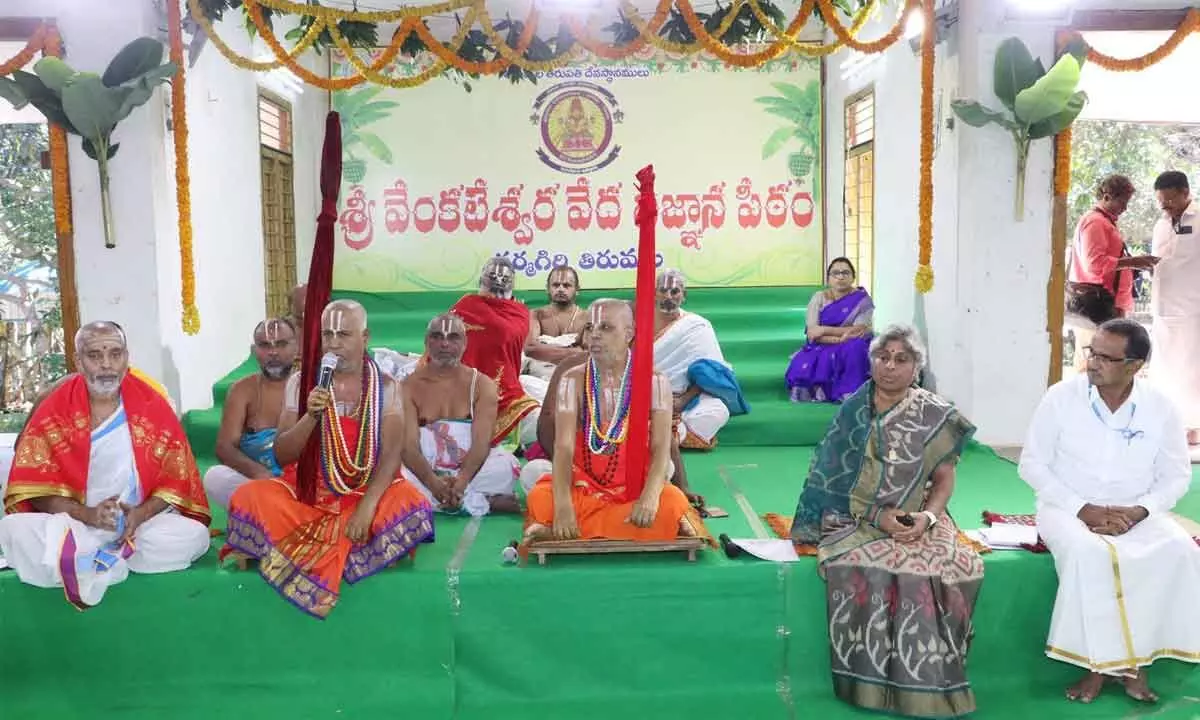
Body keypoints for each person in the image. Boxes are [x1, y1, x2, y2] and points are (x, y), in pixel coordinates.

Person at [790, 324, 981, 718]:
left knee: (944, 568)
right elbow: (829, 477)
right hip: (853, 518)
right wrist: (878, 516)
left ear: (917, 367)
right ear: (871, 361)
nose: (889, 366)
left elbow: (944, 478)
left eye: (901, 359)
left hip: (920, 514)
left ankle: (930, 685)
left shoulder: (934, 413)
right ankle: (870, 689)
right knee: (872, 568)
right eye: (882, 357)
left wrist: (927, 518)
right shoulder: (852, 411)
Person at [1018, 318, 1199, 704]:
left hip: (1134, 512)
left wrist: (1139, 511)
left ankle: (1137, 663)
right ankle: (1096, 667)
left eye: (1105, 357)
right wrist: (1083, 509)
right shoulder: (1061, 397)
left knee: (1181, 550)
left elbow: (1176, 476)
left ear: (1134, 366)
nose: (1092, 363)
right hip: (1066, 507)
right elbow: (1031, 464)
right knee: (1089, 555)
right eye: (1091, 352)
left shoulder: (1160, 408)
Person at [222, 300, 435, 619]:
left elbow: (391, 454)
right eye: (328, 334)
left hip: (364, 490)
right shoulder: (301, 383)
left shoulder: (387, 387)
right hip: (309, 492)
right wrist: (311, 416)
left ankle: (309, 545)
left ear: (365, 337)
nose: (334, 343)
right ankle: (349, 547)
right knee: (248, 496)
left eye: (344, 334)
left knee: (412, 502)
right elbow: (282, 454)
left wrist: (366, 508)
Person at [0, 322, 211, 608]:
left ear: (127, 356)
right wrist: (85, 514)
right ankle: (106, 558)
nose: (107, 365)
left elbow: (176, 478)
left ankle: (87, 560)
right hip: (73, 523)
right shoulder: (54, 405)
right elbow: (34, 487)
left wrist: (140, 514)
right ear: (78, 360)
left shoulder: (152, 404)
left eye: (115, 353)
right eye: (94, 355)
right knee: (13, 528)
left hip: (137, 525)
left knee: (194, 536)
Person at [524, 299, 708, 543]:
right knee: (539, 493)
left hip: (632, 483)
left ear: (629, 334)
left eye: (606, 328)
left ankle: (569, 531)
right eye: (590, 327)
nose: (595, 336)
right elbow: (564, 447)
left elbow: (661, 446)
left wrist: (650, 497)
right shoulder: (572, 380)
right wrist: (563, 505)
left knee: (671, 501)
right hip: (584, 479)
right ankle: (621, 527)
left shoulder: (655, 381)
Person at [401, 313, 520, 516]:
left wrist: (462, 481)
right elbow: (408, 446)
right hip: (426, 467)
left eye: (453, 337)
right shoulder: (407, 386)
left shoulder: (482, 384)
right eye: (437, 337)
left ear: (465, 343)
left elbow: (482, 442)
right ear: (426, 342)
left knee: (505, 467)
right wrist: (433, 483)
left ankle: (441, 499)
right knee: (398, 474)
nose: (444, 344)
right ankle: (483, 502)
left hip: (472, 470)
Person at [203, 318, 298, 509]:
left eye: (281, 344)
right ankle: (269, 508)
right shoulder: (242, 390)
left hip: (301, 483)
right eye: (265, 345)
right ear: (255, 351)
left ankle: (267, 511)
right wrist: (260, 474)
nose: (273, 352)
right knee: (214, 476)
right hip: (259, 484)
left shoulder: (310, 386)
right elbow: (224, 447)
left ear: (296, 347)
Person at [1066, 175, 1158, 371]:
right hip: (1096, 304)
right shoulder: (1096, 223)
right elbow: (1094, 264)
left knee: (1103, 363)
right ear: (1107, 196)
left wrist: (1132, 262)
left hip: (1106, 302)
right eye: (1122, 202)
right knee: (1095, 362)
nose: (1125, 208)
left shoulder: (1104, 221)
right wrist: (1132, 262)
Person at [450, 256, 544, 446]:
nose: (497, 285)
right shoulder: (468, 305)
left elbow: (503, 338)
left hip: (504, 393)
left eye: (502, 282)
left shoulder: (517, 312)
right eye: (492, 279)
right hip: (459, 389)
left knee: (540, 419)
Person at [652, 269, 748, 450]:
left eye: (675, 292)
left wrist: (683, 400)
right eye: (663, 291)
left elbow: (712, 371)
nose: (668, 296)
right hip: (648, 395)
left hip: (684, 398)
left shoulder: (697, 326)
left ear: (684, 296)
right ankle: (669, 434)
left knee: (718, 410)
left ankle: (669, 434)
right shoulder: (638, 323)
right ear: (654, 293)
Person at [1149, 171, 1200, 445]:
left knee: (1193, 370)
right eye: (1161, 202)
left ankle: (1195, 425)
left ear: (1185, 192)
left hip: (1193, 311)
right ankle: (1170, 423)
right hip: (1163, 309)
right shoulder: (1161, 225)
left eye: (1170, 199)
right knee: (1167, 369)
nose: (1165, 206)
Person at [785, 257, 874, 403]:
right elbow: (813, 332)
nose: (840, 277)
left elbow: (858, 330)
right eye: (835, 273)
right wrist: (838, 339)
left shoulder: (862, 300)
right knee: (809, 362)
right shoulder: (819, 297)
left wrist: (824, 329)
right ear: (828, 278)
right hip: (822, 344)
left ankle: (850, 392)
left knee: (856, 347)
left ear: (853, 277)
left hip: (851, 343)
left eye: (846, 273)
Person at [525, 266, 587, 381]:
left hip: (575, 376)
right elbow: (530, 349)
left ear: (577, 289)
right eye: (556, 285)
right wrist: (574, 351)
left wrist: (544, 349)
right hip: (540, 376)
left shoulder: (587, 317)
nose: (561, 289)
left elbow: (587, 355)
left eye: (567, 285)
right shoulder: (535, 314)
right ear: (548, 289)